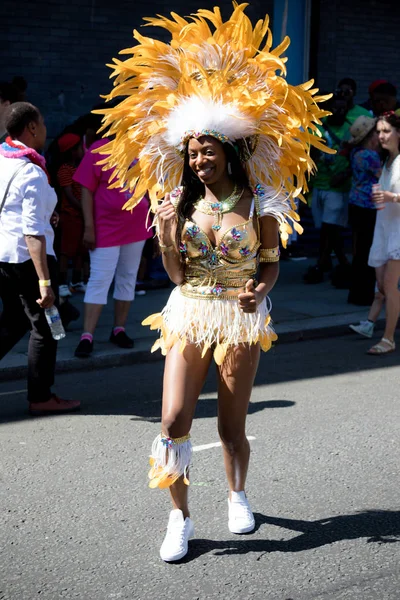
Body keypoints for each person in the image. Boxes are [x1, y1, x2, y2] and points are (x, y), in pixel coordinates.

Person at [95, 5, 331, 562]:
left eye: (208, 151)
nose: (199, 160)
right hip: (188, 310)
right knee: (174, 419)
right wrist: (168, 233)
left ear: (230, 151)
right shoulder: (179, 204)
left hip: (241, 316)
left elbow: (270, 262)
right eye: (193, 152)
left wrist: (263, 290)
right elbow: (176, 275)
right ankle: (178, 516)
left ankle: (237, 493)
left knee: (230, 424)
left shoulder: (261, 204)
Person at [0, 102, 80, 415]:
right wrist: (45, 281)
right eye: (43, 122)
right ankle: (41, 396)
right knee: (44, 329)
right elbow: (32, 233)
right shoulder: (32, 171)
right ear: (32, 128)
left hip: (4, 256)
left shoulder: (3, 158)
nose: (45, 129)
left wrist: (50, 215)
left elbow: (17, 212)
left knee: (14, 321)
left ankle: (41, 393)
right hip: (26, 258)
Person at [72, 118, 152, 358]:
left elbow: (152, 186)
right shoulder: (99, 148)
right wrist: (89, 227)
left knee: (127, 277)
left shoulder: (142, 148)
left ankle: (119, 329)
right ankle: (87, 335)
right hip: (105, 227)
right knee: (100, 278)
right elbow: (86, 189)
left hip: (136, 226)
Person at [366, 112, 400, 355]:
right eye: (378, 131)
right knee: (381, 285)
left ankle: (388, 339)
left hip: (398, 231)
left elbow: (392, 196)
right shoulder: (387, 162)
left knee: (389, 285)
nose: (381, 136)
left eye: (386, 130)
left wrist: (391, 197)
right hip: (384, 227)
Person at [347, 116, 381, 306]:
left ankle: (358, 293)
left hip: (357, 205)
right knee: (367, 251)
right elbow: (382, 177)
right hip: (367, 208)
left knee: (360, 250)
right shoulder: (369, 156)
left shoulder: (357, 153)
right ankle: (364, 295)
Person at [55, 132, 87, 297]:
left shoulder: (79, 168)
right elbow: (69, 194)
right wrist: (84, 207)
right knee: (66, 252)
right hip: (70, 217)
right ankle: (61, 283)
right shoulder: (64, 170)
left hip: (81, 216)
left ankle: (76, 281)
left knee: (80, 251)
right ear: (73, 151)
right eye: (80, 147)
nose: (83, 149)